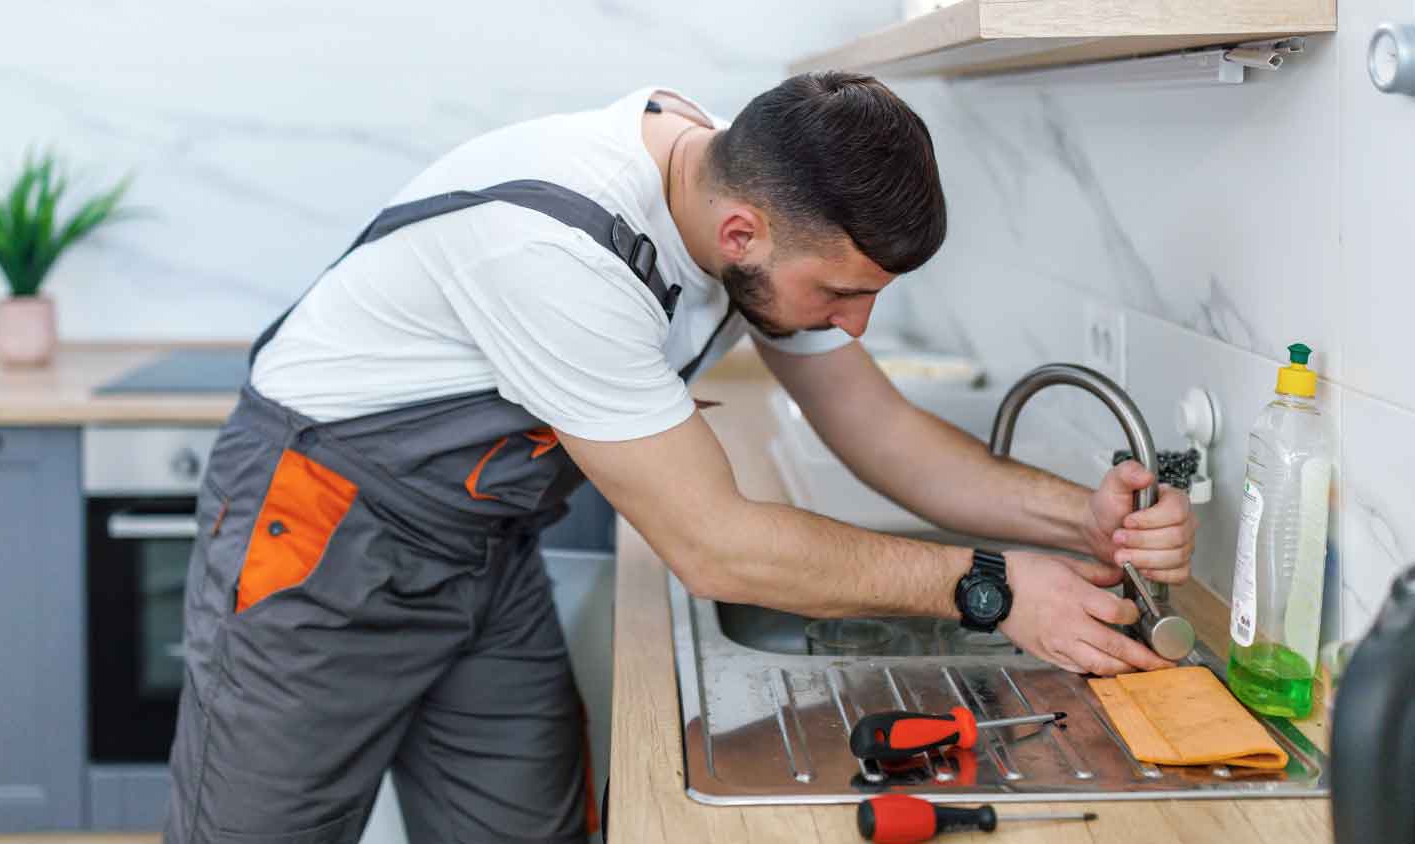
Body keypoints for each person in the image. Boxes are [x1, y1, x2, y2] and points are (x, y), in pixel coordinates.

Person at [165, 72, 1196, 844]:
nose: (857, 323)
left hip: (484, 547)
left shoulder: (732, 193)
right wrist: (989, 587)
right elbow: (717, 547)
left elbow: (876, 430)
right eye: (841, 294)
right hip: (327, 531)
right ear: (742, 232)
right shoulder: (556, 248)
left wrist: (1081, 518)